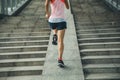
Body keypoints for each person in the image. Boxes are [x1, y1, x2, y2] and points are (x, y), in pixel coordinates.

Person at [45, 0, 69, 67]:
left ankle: (55, 34)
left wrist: (47, 13)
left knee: (54, 27)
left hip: (52, 20)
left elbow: (46, 4)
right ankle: (60, 59)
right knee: (60, 41)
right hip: (61, 20)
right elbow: (67, 7)